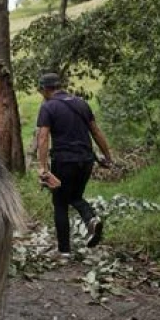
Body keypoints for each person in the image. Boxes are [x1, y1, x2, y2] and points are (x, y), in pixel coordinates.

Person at [36, 72, 113, 256]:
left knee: (60, 202)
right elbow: (96, 131)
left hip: (64, 161)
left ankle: (64, 251)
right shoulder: (81, 103)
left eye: (41, 90)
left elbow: (43, 137)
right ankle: (91, 219)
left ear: (46, 89)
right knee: (75, 196)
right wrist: (107, 157)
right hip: (86, 160)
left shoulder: (48, 107)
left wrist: (43, 167)